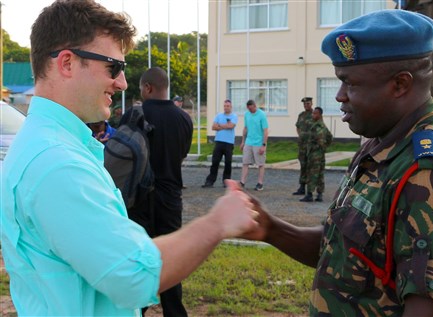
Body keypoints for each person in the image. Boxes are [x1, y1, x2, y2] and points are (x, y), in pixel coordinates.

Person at [0, 1, 258, 315]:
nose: (122, 82)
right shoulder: (58, 162)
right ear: (66, 63)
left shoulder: (43, 143)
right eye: (113, 67)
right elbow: (133, 276)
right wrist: (217, 223)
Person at [244, 9, 433, 317]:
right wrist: (269, 228)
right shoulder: (380, 147)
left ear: (399, 85)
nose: (340, 96)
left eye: (351, 84)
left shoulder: (428, 177)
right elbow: (341, 247)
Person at [126, 67, 193, 317]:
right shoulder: (184, 119)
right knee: (170, 259)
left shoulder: (135, 115)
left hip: (138, 200)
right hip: (171, 198)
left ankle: (136, 310)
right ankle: (174, 311)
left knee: (139, 259)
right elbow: (182, 155)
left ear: (147, 88)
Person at [202, 99, 238, 188]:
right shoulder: (219, 115)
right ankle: (210, 181)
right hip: (219, 141)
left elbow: (231, 126)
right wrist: (226, 125)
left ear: (231, 107)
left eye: (228, 106)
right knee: (215, 162)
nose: (226, 108)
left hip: (229, 143)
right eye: (225, 106)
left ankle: (226, 182)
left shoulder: (234, 116)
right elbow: (213, 127)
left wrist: (220, 125)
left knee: (228, 163)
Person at [299, 107, 332, 203]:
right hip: (320, 154)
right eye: (313, 113)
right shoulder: (322, 125)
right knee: (320, 174)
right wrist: (325, 147)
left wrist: (321, 147)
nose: (313, 115)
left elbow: (322, 139)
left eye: (315, 114)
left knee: (312, 174)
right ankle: (319, 194)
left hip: (314, 154)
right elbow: (330, 137)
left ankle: (309, 194)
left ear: (319, 115)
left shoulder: (317, 127)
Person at [240, 99, 269, 191]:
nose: (250, 110)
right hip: (249, 142)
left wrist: (263, 145)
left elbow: (265, 131)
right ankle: (242, 182)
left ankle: (260, 183)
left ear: (255, 106)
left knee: (260, 164)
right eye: (248, 109)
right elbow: (245, 128)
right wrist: (243, 141)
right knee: (245, 162)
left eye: (251, 109)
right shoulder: (247, 114)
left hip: (258, 143)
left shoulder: (262, 115)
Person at [293, 97, 314, 196]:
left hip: (311, 146)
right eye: (305, 104)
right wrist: (300, 135)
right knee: (303, 166)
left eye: (308, 104)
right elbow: (298, 127)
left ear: (311, 103)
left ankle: (310, 190)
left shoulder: (315, 114)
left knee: (311, 167)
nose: (306, 105)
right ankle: (302, 187)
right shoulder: (301, 115)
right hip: (302, 145)